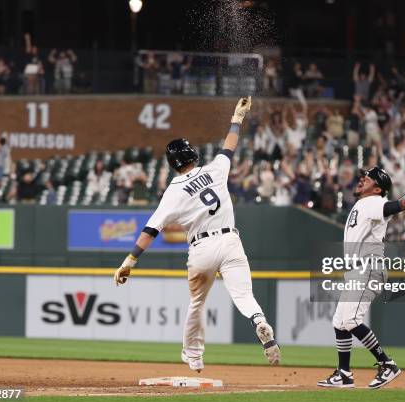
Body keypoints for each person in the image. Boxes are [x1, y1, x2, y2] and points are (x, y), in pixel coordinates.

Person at [113, 97, 280, 372]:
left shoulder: (174, 191)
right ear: (192, 155)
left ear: (171, 162)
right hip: (230, 241)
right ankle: (259, 320)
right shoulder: (215, 169)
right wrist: (237, 119)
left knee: (197, 303)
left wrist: (129, 262)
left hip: (202, 249)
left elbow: (150, 230)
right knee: (244, 295)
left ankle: (194, 356)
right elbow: (229, 147)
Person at [317, 167, 405, 389]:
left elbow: (392, 207)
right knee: (340, 322)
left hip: (368, 268)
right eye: (363, 176)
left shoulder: (376, 202)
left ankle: (387, 364)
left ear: (377, 188)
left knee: (350, 321)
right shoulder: (362, 204)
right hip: (355, 270)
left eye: (367, 178)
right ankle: (344, 374)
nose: (362, 179)